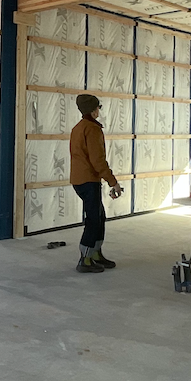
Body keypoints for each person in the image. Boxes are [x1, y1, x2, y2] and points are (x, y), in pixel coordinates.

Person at [69, 94, 123, 273]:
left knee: (99, 216)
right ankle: (85, 259)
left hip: (80, 179)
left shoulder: (78, 128)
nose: (99, 110)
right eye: (98, 107)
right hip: (88, 180)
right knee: (93, 219)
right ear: (93, 111)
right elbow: (97, 160)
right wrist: (113, 182)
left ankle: (95, 254)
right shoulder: (92, 129)